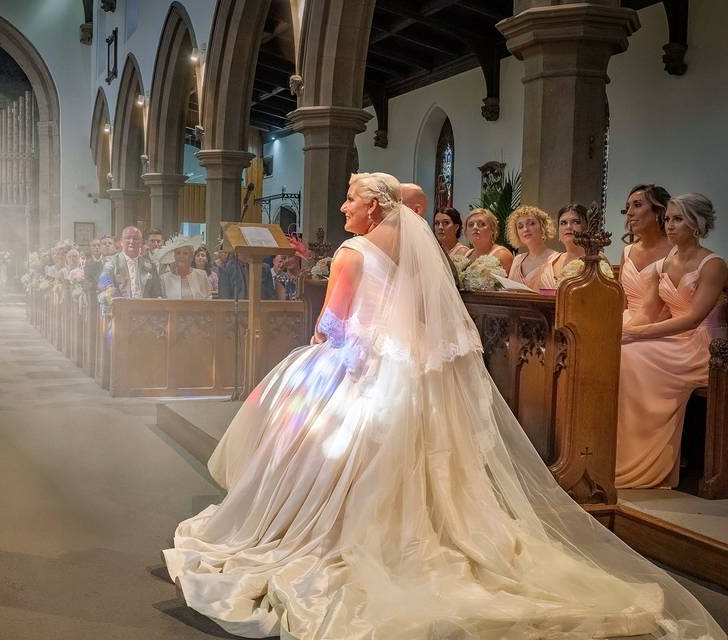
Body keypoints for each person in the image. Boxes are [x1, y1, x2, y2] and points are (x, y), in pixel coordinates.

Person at [164, 171, 724, 640]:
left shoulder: (354, 251)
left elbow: (332, 324)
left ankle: (308, 524)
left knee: (302, 422)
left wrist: (311, 354)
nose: (344, 206)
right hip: (407, 370)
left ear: (373, 207)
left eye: (352, 198)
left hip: (360, 366)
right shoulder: (412, 248)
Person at [617, 194, 727, 489]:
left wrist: (638, 334)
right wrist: (619, 332)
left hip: (704, 345)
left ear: (697, 223)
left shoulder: (713, 264)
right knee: (619, 352)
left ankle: (650, 464)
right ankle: (624, 452)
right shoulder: (664, 263)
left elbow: (693, 319)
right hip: (673, 338)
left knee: (634, 357)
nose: (669, 225)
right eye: (667, 219)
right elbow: (647, 312)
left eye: (678, 219)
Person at [620, 184, 673, 324]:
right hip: (627, 320)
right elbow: (622, 302)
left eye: (637, 205)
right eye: (628, 207)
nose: (629, 213)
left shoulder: (676, 251)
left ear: (658, 212)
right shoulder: (627, 252)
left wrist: (640, 331)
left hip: (663, 325)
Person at [98, 226, 164, 304]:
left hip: (145, 311)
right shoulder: (112, 262)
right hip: (121, 310)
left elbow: (157, 293)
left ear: (141, 242)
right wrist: (109, 288)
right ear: (121, 242)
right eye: (128, 238)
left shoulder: (150, 266)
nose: (131, 241)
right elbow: (103, 280)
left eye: (135, 239)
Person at [505, 205, 558, 290]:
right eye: (520, 226)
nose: (525, 229)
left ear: (543, 227)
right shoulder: (517, 260)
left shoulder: (556, 259)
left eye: (531, 223)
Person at [464, 207, 514, 272]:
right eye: (471, 225)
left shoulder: (502, 255)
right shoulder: (467, 255)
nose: (475, 227)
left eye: (482, 224)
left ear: (492, 230)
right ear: (466, 231)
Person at [550, 203, 589, 281]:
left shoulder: (596, 259)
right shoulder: (553, 261)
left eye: (576, 222)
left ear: (587, 227)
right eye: (563, 223)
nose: (568, 227)